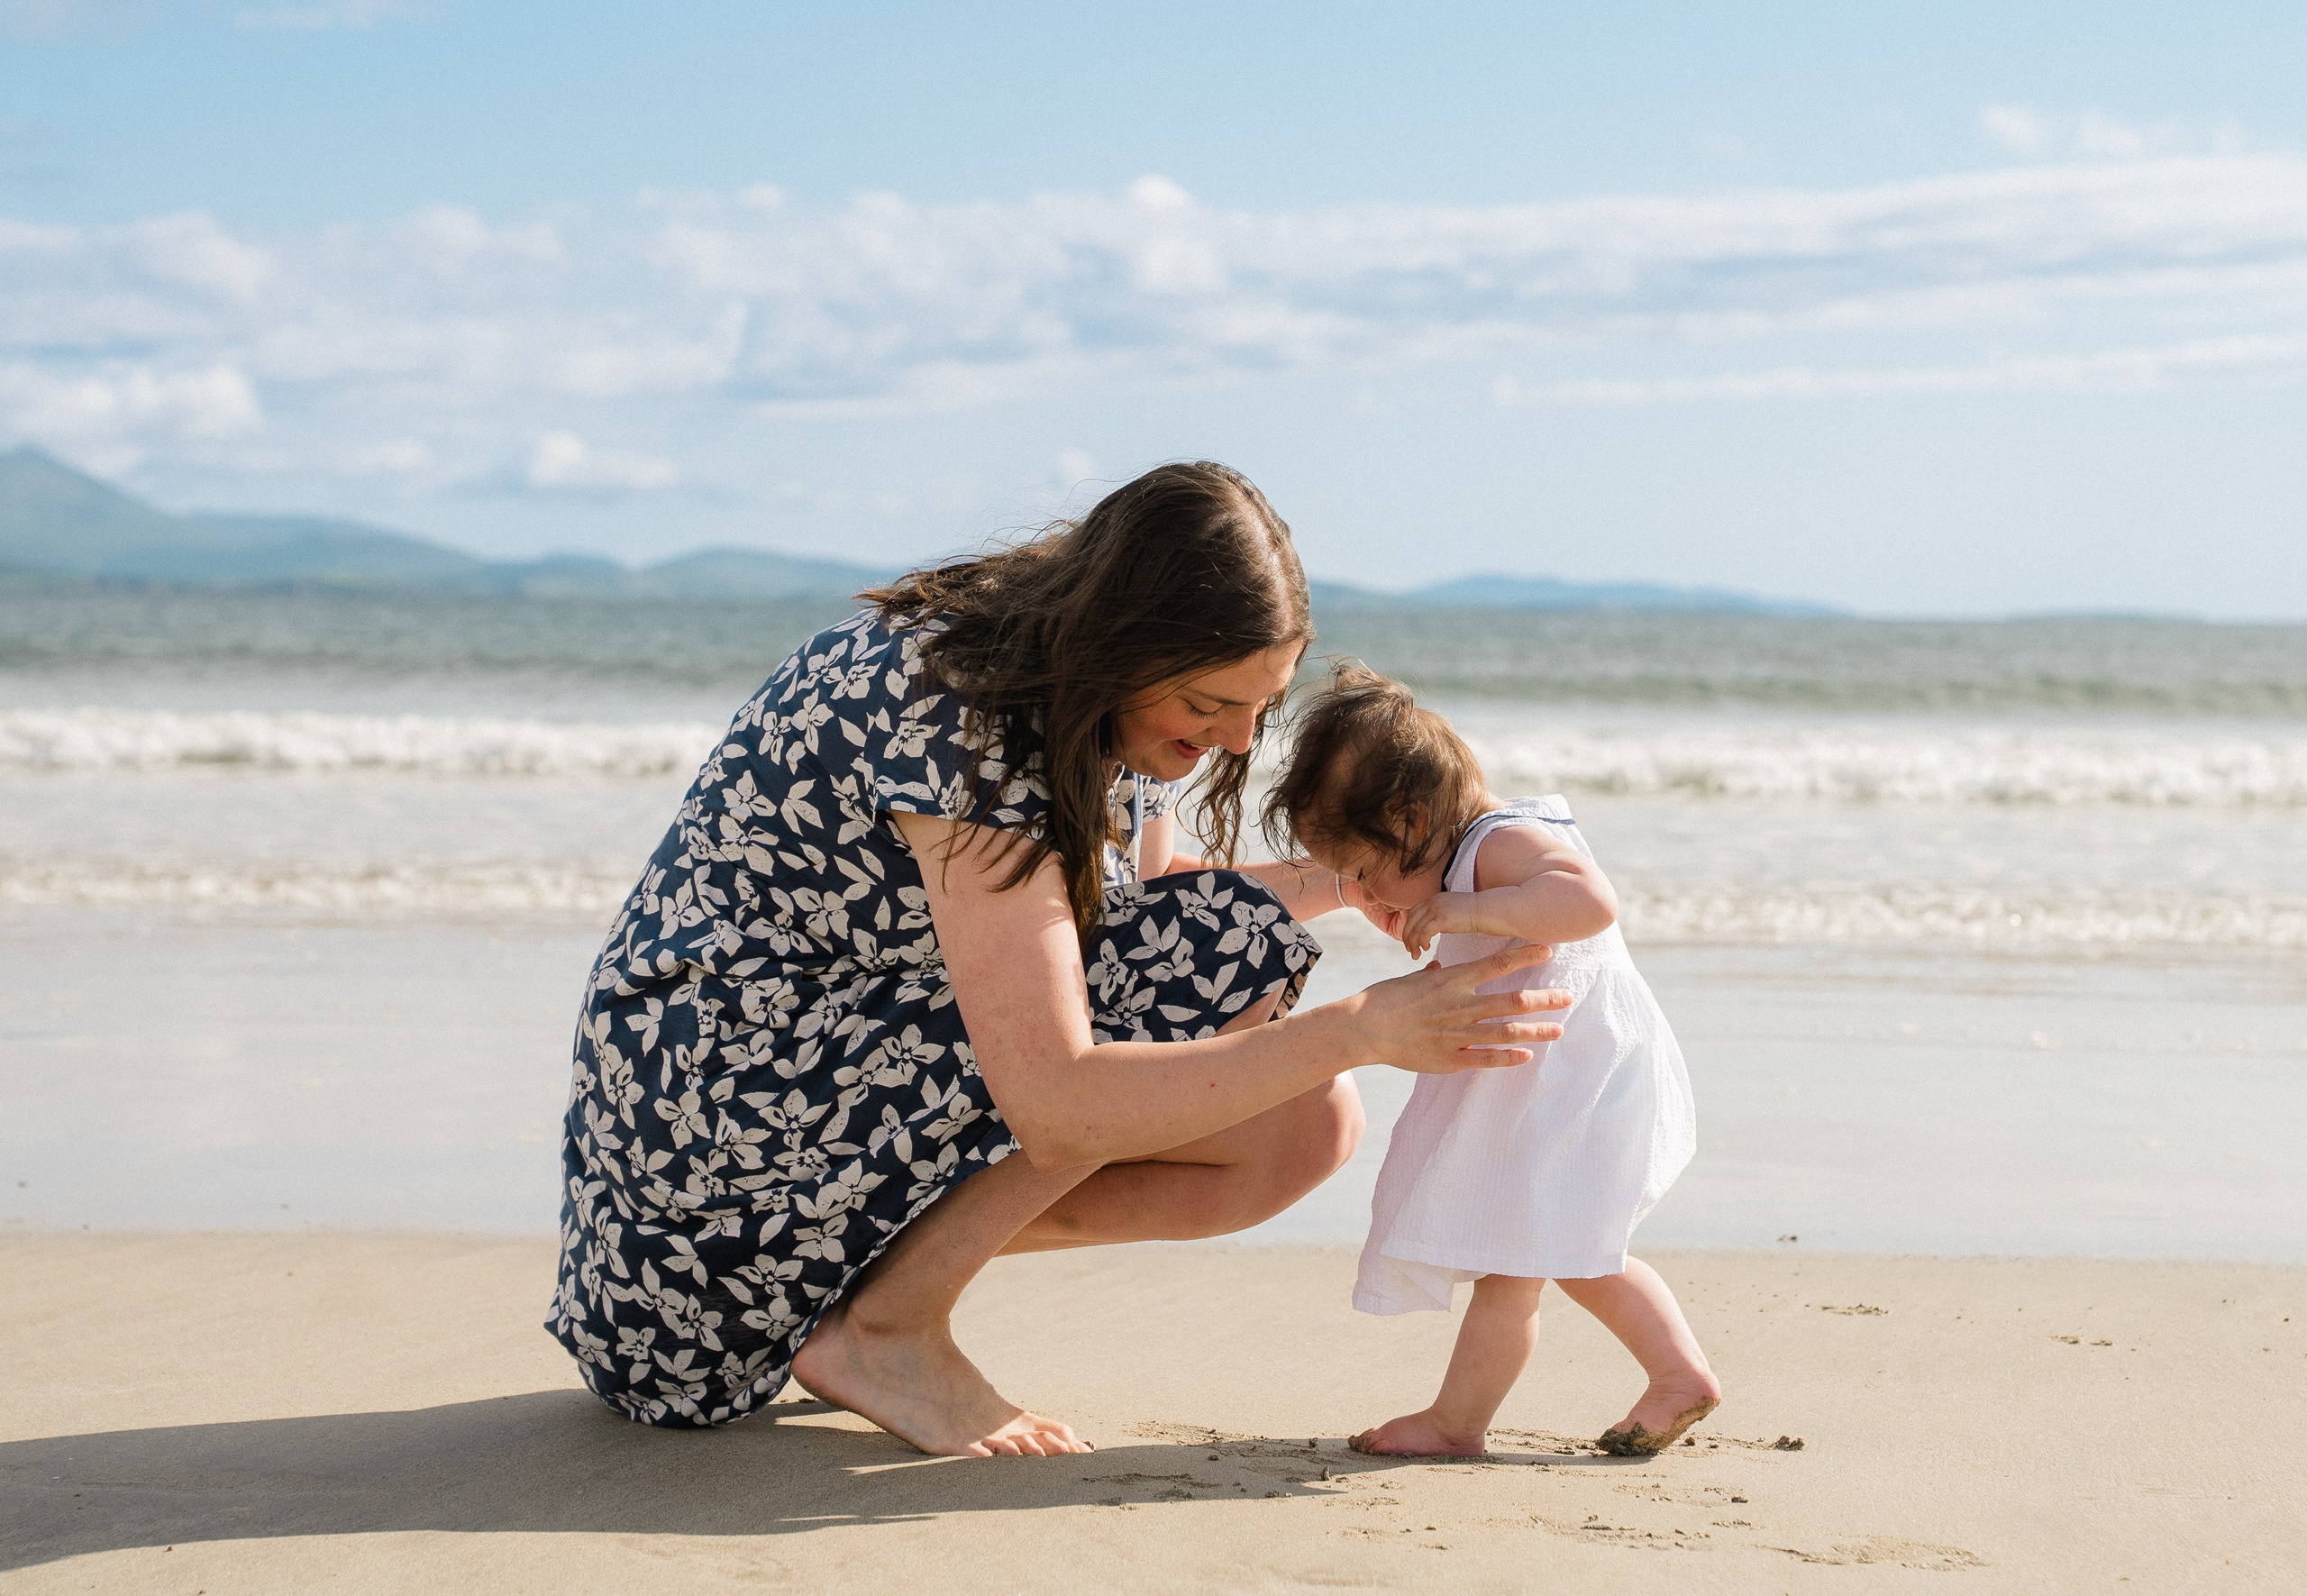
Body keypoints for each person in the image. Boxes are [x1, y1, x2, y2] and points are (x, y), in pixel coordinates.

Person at [548, 462, 1570, 1455]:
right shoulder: (958, 716)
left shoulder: (1086, 697)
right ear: (1131, 640)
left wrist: (1357, 885)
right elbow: (1061, 1091)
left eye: (1260, 705)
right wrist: (1361, 1028)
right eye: (1211, 705)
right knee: (1234, 967)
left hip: (796, 1134)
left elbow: (1151, 901)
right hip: (700, 1163)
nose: (1233, 738)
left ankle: (841, 1299)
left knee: (1299, 1130)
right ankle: (887, 1329)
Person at [1263, 662, 1719, 1457]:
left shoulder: (1502, 841)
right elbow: (1503, 950)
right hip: (1545, 1081)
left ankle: (1460, 1421)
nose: (1372, 893)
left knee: (1533, 1258)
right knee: (1558, 1253)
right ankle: (1670, 1376)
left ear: (1412, 815)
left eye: (1369, 871)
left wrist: (1467, 907)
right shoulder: (1464, 852)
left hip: (1571, 1082)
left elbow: (1590, 902)